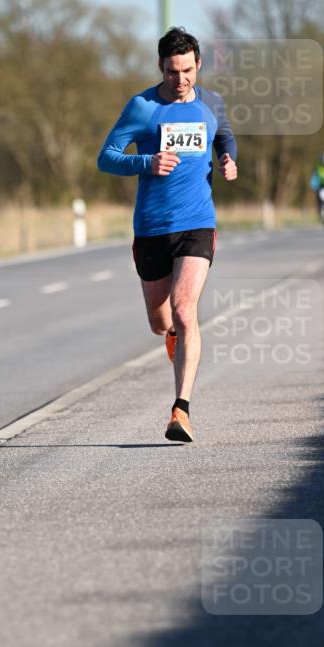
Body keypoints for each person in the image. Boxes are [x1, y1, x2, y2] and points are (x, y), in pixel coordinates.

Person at [97, 26, 237, 443]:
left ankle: (181, 410)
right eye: (173, 71)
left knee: (184, 309)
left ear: (198, 64)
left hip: (198, 223)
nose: (181, 80)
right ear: (161, 66)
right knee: (161, 322)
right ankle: (173, 337)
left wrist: (228, 159)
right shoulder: (142, 107)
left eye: (188, 70)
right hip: (152, 228)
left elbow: (224, 135)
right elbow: (107, 157)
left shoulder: (211, 102)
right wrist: (146, 163)